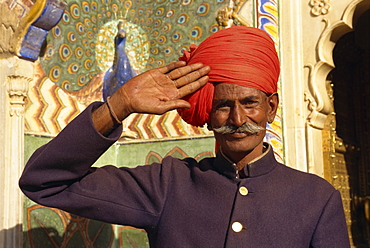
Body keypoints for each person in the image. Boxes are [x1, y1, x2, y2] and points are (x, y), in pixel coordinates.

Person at [19, 26, 350, 247]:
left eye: (249, 104)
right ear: (206, 113)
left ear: (271, 107)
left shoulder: (316, 200)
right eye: (222, 106)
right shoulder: (168, 184)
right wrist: (119, 105)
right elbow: (45, 182)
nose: (237, 119)